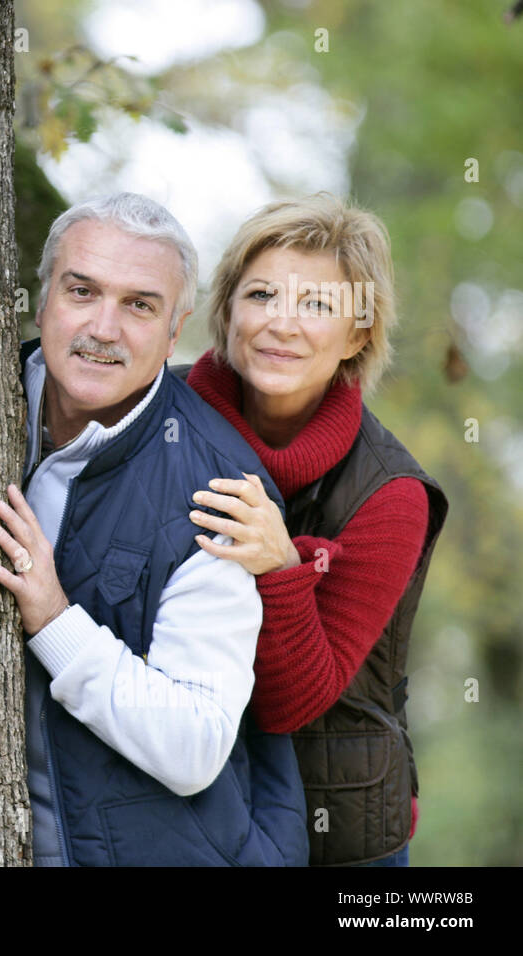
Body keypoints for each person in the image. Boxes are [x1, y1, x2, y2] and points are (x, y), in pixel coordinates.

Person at [0, 192, 308, 866]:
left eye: (140, 305)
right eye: (82, 291)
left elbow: (195, 745)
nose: (104, 328)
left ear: (175, 329)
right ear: (44, 297)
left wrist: (53, 619)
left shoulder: (217, 491)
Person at [176, 194, 447, 866]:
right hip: (181, 808)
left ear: (359, 335)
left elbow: (295, 702)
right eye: (262, 294)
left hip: (340, 825)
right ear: (228, 309)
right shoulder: (160, 417)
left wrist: (281, 571)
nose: (282, 324)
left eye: (319, 306)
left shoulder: (391, 496)